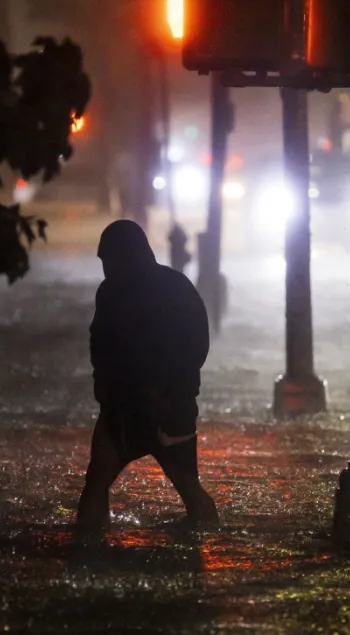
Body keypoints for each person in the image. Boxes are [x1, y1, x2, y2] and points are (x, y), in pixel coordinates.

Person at [76, 220, 219, 533]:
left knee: (186, 485)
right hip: (126, 408)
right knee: (97, 480)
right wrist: (103, 382)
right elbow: (100, 342)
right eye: (103, 262)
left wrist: (165, 391)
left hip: (166, 408)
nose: (107, 268)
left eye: (110, 260)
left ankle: (209, 537)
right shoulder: (112, 292)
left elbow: (192, 347)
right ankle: (87, 546)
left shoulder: (172, 290)